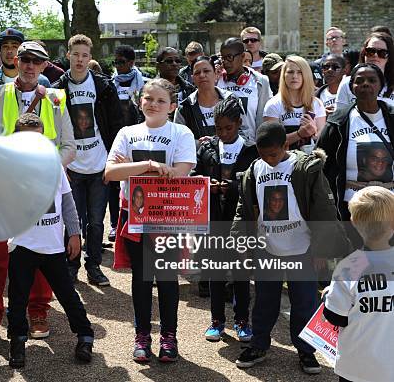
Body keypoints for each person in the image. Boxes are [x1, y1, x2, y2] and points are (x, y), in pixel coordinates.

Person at [0, 41, 74, 346]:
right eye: (25, 59)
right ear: (16, 60)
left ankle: (38, 313)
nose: (30, 66)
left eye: (37, 61)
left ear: (45, 66)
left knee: (42, 254)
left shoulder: (56, 98)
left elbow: (69, 147)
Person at [231, 121, 349, 374]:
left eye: (273, 154)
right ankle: (259, 344)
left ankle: (306, 350)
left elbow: (324, 211)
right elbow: (245, 210)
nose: (269, 159)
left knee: (305, 302)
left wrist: (321, 250)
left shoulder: (306, 168)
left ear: (285, 144)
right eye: (263, 155)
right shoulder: (254, 170)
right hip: (268, 248)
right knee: (264, 301)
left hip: (302, 248)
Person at [105, 78, 196, 363]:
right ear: (139, 101)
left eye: (160, 100)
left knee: (167, 279)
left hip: (167, 215)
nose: (153, 104)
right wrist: (150, 165)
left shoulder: (181, 133)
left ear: (172, 106)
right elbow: (109, 173)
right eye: (148, 98)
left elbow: (181, 173)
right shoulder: (127, 132)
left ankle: (169, 337)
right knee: (141, 279)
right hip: (133, 214)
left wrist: (130, 169)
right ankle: (142, 335)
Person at [7, 113, 94, 368]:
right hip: (22, 245)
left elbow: (67, 202)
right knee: (18, 297)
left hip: (53, 246)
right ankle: (18, 342)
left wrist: (75, 233)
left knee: (68, 294)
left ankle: (85, 335)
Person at [53, 34, 123, 286]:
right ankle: (71, 267)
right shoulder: (57, 88)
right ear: (68, 55)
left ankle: (93, 265)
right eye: (76, 54)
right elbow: (53, 129)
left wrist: (112, 161)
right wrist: (61, 162)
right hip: (71, 165)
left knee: (95, 221)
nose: (80, 60)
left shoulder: (104, 86)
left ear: (90, 58)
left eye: (85, 55)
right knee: (72, 219)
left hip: (98, 164)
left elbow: (116, 125)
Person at [192, 96, 257, 343]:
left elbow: (253, 185)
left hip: (240, 224)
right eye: (218, 128)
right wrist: (209, 185)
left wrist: (231, 187)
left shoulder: (251, 151)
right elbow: (196, 177)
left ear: (239, 123)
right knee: (215, 274)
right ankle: (216, 321)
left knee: (241, 274)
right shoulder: (207, 149)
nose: (223, 133)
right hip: (213, 222)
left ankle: (242, 320)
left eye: (228, 128)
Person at [317, 63, 394, 247]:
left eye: (372, 80)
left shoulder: (392, 118)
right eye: (359, 81)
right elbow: (322, 166)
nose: (365, 84)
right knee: (358, 263)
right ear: (352, 87)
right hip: (351, 210)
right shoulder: (338, 122)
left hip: (390, 209)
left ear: (380, 85)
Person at [323, 186, 394, 382]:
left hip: (356, 367)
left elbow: (336, 316)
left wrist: (326, 296)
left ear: (353, 222)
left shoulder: (351, 266)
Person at [0, 28, 50, 126]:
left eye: (14, 46)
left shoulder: (42, 81)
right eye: (5, 47)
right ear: (0, 51)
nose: (9, 51)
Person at [111, 44, 144, 241]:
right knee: (115, 185)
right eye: (115, 62)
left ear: (131, 63)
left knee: (136, 183)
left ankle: (138, 221)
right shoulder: (110, 84)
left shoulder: (143, 83)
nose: (118, 66)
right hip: (117, 138)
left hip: (137, 139)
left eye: (121, 62)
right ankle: (116, 224)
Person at [263, 56, 326, 150]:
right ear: (283, 75)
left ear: (307, 75)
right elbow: (272, 142)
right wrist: (299, 134)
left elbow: (322, 141)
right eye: (290, 72)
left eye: (300, 72)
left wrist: (314, 132)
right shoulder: (273, 105)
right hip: (282, 162)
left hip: (309, 162)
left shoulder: (317, 104)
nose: (294, 76)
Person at [217, 37, 272, 144]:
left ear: (242, 57)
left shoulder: (260, 81)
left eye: (229, 57)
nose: (225, 62)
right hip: (221, 145)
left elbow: (264, 119)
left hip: (250, 146)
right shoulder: (217, 80)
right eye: (222, 58)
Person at [174, 56, 232, 140]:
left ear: (215, 74)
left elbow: (243, 132)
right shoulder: (184, 109)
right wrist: (199, 144)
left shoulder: (231, 100)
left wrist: (215, 142)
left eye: (206, 71)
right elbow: (178, 141)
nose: (202, 75)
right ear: (193, 78)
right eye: (197, 73)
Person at [336, 32, 394, 107]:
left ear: (389, 57)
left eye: (382, 53)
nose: (375, 56)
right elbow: (339, 115)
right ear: (364, 53)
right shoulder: (347, 83)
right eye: (370, 51)